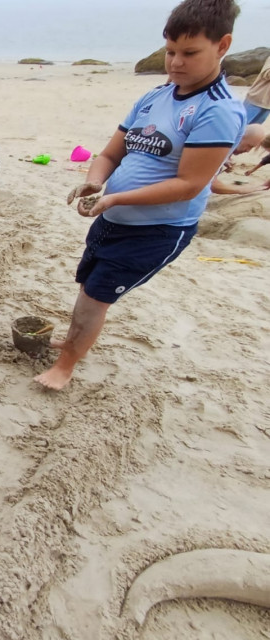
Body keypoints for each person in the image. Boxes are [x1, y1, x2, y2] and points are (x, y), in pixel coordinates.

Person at [37, 0, 246, 391]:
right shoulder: (156, 96)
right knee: (87, 286)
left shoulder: (217, 110)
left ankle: (64, 367)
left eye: (189, 53)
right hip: (111, 219)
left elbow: (189, 184)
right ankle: (73, 343)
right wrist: (95, 181)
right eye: (170, 52)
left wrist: (116, 199)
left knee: (95, 298)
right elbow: (112, 152)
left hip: (156, 229)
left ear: (222, 45)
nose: (175, 63)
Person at [210, 123, 268, 193]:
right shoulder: (215, 147)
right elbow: (211, 184)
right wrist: (242, 189)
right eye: (249, 146)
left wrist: (224, 160)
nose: (247, 150)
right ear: (240, 137)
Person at [242, 56, 269, 125]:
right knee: (239, 126)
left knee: (253, 130)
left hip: (267, 105)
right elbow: (267, 74)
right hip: (256, 99)